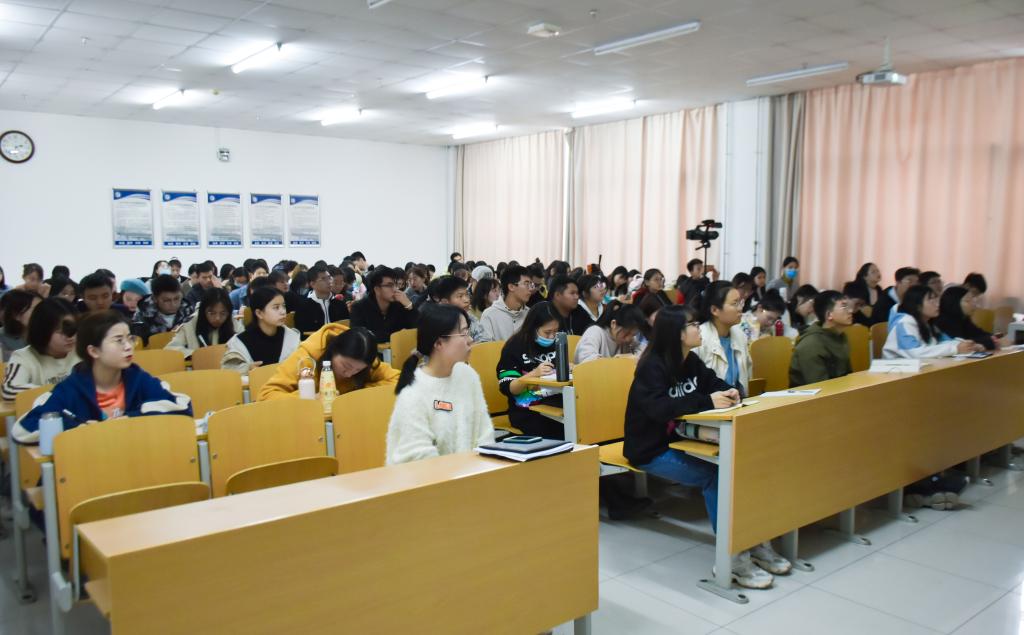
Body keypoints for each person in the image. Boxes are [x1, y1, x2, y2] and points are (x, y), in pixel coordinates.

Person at [623, 304, 783, 589]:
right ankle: (732, 559)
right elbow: (660, 409)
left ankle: (755, 541)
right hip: (651, 449)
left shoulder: (690, 360)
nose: (699, 329)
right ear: (677, 333)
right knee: (716, 476)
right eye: (693, 325)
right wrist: (707, 401)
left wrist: (730, 390)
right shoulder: (652, 366)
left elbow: (713, 382)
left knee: (743, 466)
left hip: (683, 441)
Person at [11, 310, 193, 443]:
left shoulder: (137, 378)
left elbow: (182, 406)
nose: (129, 346)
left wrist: (133, 418)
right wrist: (76, 429)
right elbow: (24, 428)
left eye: (130, 338)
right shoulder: (71, 388)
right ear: (94, 351)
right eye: (119, 340)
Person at [385, 304, 495, 465]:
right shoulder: (414, 392)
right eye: (463, 333)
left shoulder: (467, 375)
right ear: (438, 343)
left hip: (470, 472)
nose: (471, 340)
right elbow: (417, 458)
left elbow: (484, 434)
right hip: (427, 477)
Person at [258, 324, 399, 400]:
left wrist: (356, 394)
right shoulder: (306, 358)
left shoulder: (363, 357)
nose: (349, 374)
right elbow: (266, 396)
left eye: (357, 370)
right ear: (333, 350)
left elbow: (399, 379)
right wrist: (309, 398)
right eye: (345, 366)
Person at [497, 302, 566, 439]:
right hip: (527, 411)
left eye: (555, 331)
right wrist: (533, 374)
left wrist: (567, 368)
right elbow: (510, 388)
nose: (552, 337)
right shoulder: (514, 347)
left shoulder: (557, 342)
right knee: (560, 431)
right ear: (533, 327)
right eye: (547, 332)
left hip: (556, 404)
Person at [2, 298, 79, 401]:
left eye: (73, 329)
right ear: (42, 331)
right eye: (60, 331)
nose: (70, 337)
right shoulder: (24, 357)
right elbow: (9, 390)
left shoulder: (82, 352)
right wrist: (57, 390)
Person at [883, 285, 984, 359]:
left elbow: (941, 342)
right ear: (917, 305)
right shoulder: (904, 323)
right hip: (895, 373)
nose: (937, 304)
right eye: (931, 300)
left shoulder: (927, 322)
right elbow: (915, 353)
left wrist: (968, 346)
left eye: (936, 299)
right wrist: (955, 349)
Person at [694, 281, 752, 398]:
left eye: (740, 302)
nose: (740, 308)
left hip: (737, 402)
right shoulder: (699, 338)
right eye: (735, 304)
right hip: (709, 406)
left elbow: (747, 377)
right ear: (715, 310)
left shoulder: (739, 335)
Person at [222, 287, 301, 373]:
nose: (283, 312)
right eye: (276, 307)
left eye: (283, 306)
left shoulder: (291, 337)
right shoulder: (239, 342)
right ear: (259, 313)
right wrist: (246, 369)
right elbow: (228, 372)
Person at [789, 291, 854, 386]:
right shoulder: (811, 343)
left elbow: (848, 375)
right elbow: (819, 385)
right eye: (844, 307)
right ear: (829, 315)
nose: (851, 311)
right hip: (813, 393)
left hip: (837, 390)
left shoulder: (840, 335)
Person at [166, 288, 242, 358]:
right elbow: (170, 349)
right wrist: (197, 354)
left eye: (223, 313)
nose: (217, 318)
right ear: (203, 311)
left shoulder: (234, 323)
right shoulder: (190, 323)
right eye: (211, 313)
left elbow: (244, 348)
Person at [349, 267, 418, 344]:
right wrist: (394, 335)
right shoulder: (359, 308)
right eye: (390, 285)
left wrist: (409, 305)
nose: (395, 289)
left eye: (395, 285)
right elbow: (359, 337)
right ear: (377, 289)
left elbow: (416, 328)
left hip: (398, 349)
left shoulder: (399, 304)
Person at [574, 302, 646, 364]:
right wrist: (619, 361)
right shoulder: (595, 333)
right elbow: (587, 361)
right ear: (613, 324)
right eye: (626, 334)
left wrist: (633, 357)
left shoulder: (629, 339)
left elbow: (645, 352)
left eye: (633, 335)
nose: (628, 339)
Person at [131, 275, 191, 345]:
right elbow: (137, 344)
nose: (173, 304)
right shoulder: (142, 316)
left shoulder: (189, 311)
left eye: (177, 299)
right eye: (166, 300)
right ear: (155, 299)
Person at [479, 265, 531, 342]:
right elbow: (485, 347)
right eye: (526, 284)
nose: (530, 289)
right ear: (511, 287)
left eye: (531, 285)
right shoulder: (489, 315)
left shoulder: (530, 314)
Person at [935, 286, 998, 351]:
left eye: (972, 300)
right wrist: (988, 340)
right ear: (954, 303)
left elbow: (981, 334)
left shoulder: (963, 319)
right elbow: (963, 343)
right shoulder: (944, 321)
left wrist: (991, 338)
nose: (974, 304)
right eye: (967, 301)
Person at [295, 264, 349, 333]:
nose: (329, 282)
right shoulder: (303, 306)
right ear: (312, 284)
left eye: (329, 278)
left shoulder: (340, 304)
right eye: (323, 279)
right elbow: (302, 333)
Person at [433, 276, 486, 343]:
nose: (467, 300)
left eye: (467, 294)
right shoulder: (435, 323)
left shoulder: (471, 318)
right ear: (445, 302)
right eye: (460, 296)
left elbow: (485, 340)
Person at [1, 290, 42, 361]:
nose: (44, 313)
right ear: (17, 315)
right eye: (36, 309)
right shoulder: (2, 339)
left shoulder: (48, 335)